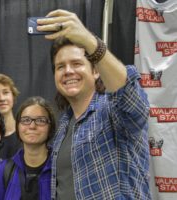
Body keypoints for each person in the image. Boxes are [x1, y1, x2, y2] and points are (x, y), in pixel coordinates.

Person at [36, 9, 151, 199]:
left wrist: (90, 43)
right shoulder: (64, 125)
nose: (68, 71)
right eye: (60, 67)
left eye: (77, 63)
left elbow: (130, 96)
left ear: (96, 71)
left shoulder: (113, 111)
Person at [0, 96, 56, 200]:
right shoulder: (3, 170)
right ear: (18, 126)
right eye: (26, 120)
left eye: (40, 120)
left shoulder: (61, 167)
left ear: (50, 127)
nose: (32, 126)